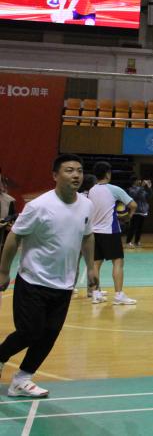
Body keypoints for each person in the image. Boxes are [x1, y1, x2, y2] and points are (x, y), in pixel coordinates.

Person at [0, 154, 97, 397]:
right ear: (55, 175)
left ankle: (22, 379)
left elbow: (87, 236)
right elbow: (14, 236)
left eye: (79, 170)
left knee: (50, 334)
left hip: (64, 284)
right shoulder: (39, 206)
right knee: (30, 331)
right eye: (69, 170)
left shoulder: (86, 205)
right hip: (33, 280)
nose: (76, 175)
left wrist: (91, 267)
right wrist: (3, 271)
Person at [87, 161, 137, 305]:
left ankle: (96, 294)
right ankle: (119, 295)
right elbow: (133, 205)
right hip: (110, 231)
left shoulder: (92, 190)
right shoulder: (114, 189)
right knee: (118, 262)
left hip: (94, 232)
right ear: (108, 174)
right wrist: (128, 217)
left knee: (95, 264)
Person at [124, 177, 152, 249]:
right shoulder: (130, 189)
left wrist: (149, 188)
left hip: (143, 211)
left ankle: (137, 241)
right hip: (135, 211)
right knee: (132, 227)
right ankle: (128, 242)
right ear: (134, 181)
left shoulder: (142, 189)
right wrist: (142, 187)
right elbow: (135, 196)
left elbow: (149, 196)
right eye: (138, 180)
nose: (140, 181)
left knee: (140, 228)